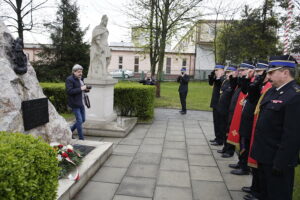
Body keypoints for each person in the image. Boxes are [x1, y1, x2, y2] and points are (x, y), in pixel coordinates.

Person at [251, 55, 300, 200]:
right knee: (264, 194)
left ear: (285, 73)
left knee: (277, 195)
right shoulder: (273, 90)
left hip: (277, 161)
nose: (268, 75)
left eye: (272, 72)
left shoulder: (295, 96)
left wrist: (280, 163)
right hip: (264, 156)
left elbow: (292, 135)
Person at [212, 66, 237, 146]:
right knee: (219, 124)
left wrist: (221, 76)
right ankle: (220, 141)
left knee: (225, 127)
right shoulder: (225, 81)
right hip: (221, 106)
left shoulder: (233, 83)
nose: (227, 74)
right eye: (227, 72)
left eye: (229, 72)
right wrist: (216, 76)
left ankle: (223, 142)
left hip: (227, 109)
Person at [66, 64, 91, 140]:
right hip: (75, 103)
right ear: (74, 72)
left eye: (81, 72)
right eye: (79, 72)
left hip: (82, 103)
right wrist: (81, 88)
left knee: (83, 120)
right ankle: (81, 139)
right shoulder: (69, 79)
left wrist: (86, 89)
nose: (80, 73)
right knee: (79, 121)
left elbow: (81, 89)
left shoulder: (81, 79)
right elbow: (69, 91)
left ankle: (69, 131)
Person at [87, 15, 111, 79]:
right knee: (103, 59)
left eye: (107, 21)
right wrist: (100, 47)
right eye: (106, 20)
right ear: (102, 20)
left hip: (106, 46)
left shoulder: (105, 29)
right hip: (100, 46)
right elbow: (97, 39)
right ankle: (103, 72)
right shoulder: (98, 29)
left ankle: (105, 70)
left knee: (108, 59)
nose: (106, 22)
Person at [208, 64, 226, 145]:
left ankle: (220, 139)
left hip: (220, 103)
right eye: (215, 70)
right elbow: (210, 83)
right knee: (216, 121)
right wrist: (212, 75)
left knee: (220, 122)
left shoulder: (224, 79)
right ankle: (217, 137)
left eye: (217, 70)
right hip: (215, 102)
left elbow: (220, 84)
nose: (216, 72)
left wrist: (219, 77)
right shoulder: (217, 78)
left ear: (222, 70)